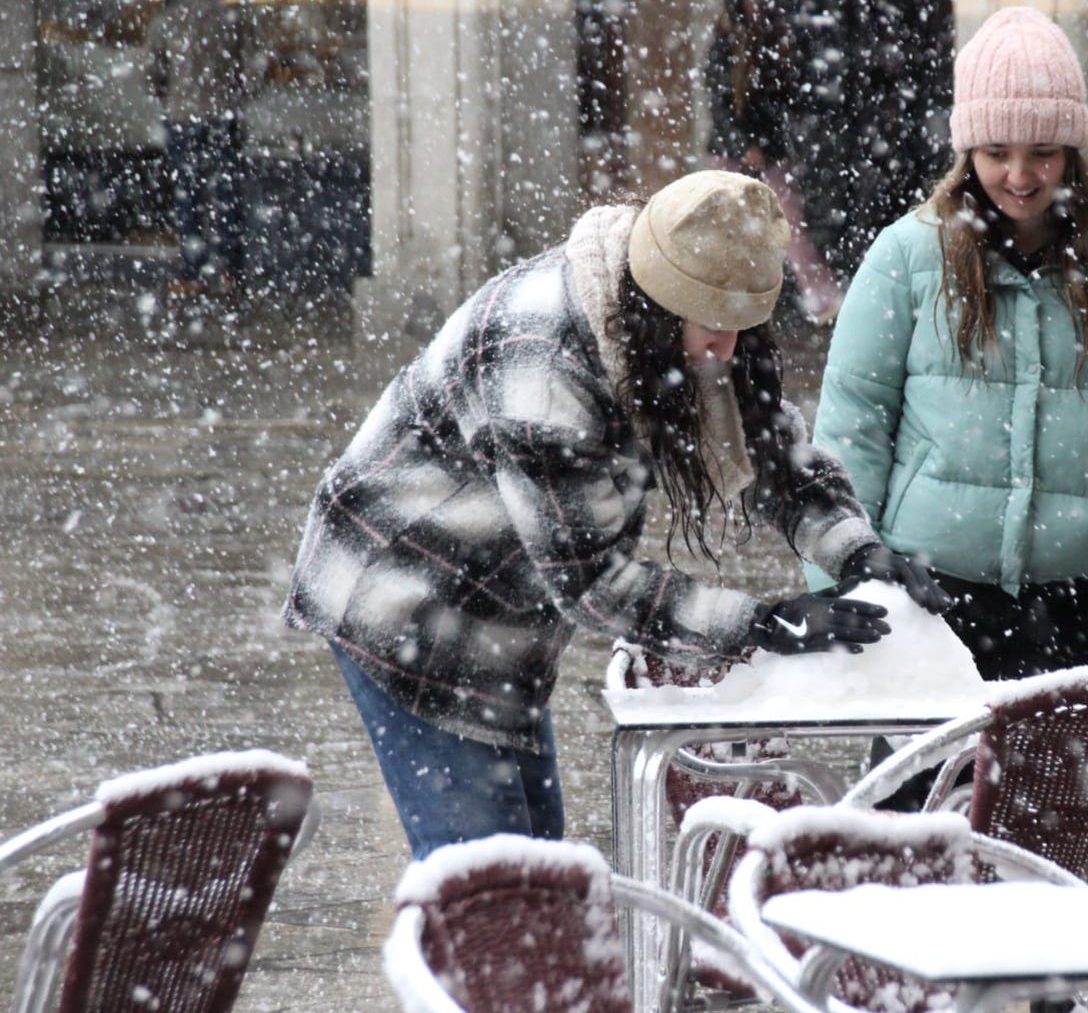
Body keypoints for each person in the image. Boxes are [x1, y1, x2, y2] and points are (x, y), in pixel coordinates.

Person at [284, 170, 952, 858]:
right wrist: (759, 624)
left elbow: (768, 451)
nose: (726, 349)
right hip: (404, 597)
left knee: (539, 855)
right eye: (713, 327)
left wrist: (854, 548)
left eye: (742, 328)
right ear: (661, 307)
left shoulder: (670, 309)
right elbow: (594, 583)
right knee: (490, 872)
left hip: (506, 607)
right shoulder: (541, 367)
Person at [811, 7, 1088, 756]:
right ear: (967, 151)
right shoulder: (905, 258)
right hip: (929, 591)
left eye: (1043, 153)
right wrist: (841, 570)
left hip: (1079, 594)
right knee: (919, 801)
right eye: (997, 153)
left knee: (1065, 803)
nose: (1021, 176)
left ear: (1073, 153)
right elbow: (853, 421)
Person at [703, 0, 843, 322]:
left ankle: (818, 294)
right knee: (728, 225)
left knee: (790, 221)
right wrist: (744, 143)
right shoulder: (726, 42)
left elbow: (782, 98)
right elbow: (719, 104)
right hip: (733, 150)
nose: (758, 3)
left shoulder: (773, 38)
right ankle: (717, 297)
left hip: (768, 148)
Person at [145, 0, 246, 294]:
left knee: (188, 194)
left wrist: (167, 95)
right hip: (223, 114)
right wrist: (236, 97)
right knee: (226, 193)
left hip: (182, 115)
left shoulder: (169, 20)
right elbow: (252, 67)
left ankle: (192, 272)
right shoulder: (232, 20)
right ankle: (230, 271)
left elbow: (152, 72)